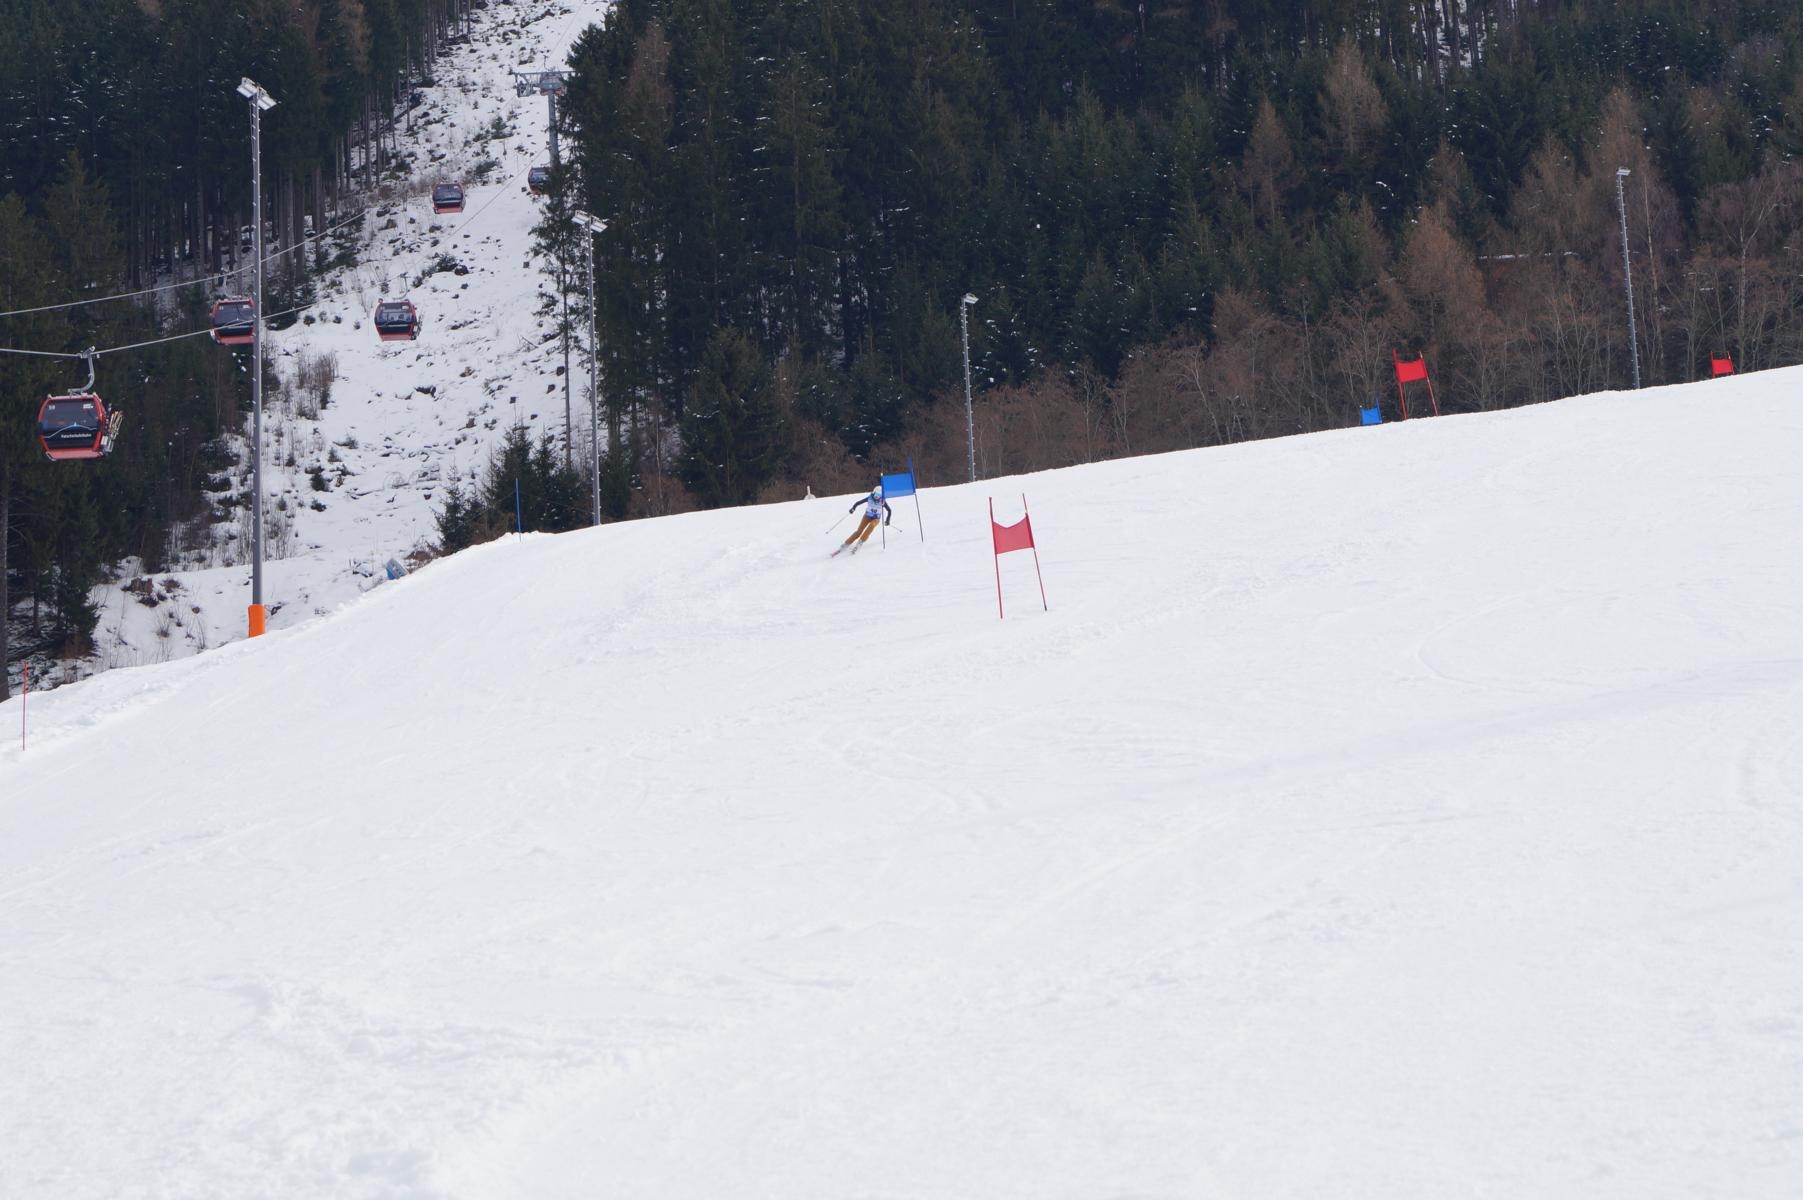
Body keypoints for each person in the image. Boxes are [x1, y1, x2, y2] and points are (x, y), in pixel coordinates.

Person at [834, 483, 891, 556]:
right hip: (867, 517)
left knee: (872, 525)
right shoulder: (869, 498)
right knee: (859, 532)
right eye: (876, 494)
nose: (877, 497)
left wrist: (888, 520)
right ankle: (846, 543)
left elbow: (889, 510)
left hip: (876, 518)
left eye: (879, 495)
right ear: (873, 493)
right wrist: (853, 508)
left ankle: (860, 542)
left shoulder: (882, 501)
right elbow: (857, 503)